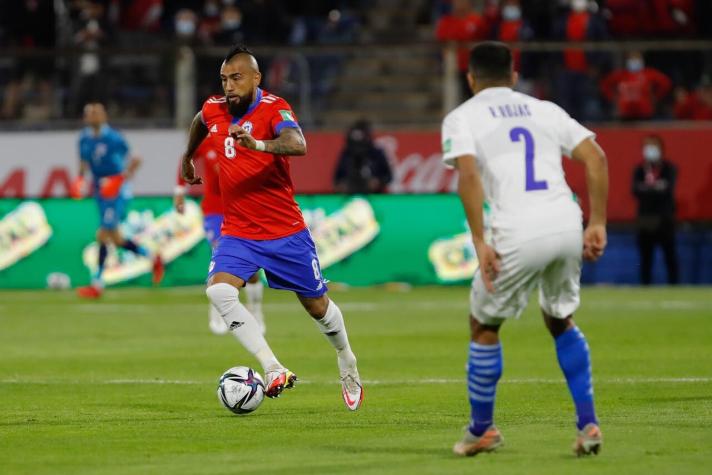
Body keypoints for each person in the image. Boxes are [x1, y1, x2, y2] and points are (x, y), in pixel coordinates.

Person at [441, 42, 608, 456]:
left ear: (470, 79)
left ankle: (483, 429)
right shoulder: (545, 109)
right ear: (514, 76)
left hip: (516, 229)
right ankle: (588, 424)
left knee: (483, 325)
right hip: (566, 221)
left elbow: (468, 176)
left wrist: (480, 242)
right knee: (559, 318)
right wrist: (599, 222)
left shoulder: (462, 117)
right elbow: (597, 158)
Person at [179, 45, 363, 410]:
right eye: (224, 79)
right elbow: (201, 120)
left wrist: (259, 144)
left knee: (317, 307)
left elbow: (299, 143)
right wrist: (187, 156)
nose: (229, 86)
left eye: (237, 78)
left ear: (256, 78)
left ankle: (347, 358)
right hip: (239, 231)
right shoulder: (216, 107)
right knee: (218, 293)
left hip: (285, 231)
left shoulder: (273, 109)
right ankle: (273, 367)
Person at [174, 140, 267, 335]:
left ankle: (255, 309)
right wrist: (180, 192)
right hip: (214, 211)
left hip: (242, 209)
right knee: (220, 258)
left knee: (251, 267)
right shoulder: (207, 141)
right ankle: (217, 311)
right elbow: (186, 157)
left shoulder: (243, 137)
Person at [73, 103, 164, 298]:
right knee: (115, 238)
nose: (92, 117)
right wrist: (80, 181)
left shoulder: (113, 138)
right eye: (89, 113)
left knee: (103, 233)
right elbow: (83, 163)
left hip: (116, 190)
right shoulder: (84, 139)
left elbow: (136, 159)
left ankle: (96, 284)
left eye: (96, 113)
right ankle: (152, 257)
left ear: (104, 116)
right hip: (99, 188)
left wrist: (120, 179)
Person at [631, 135, 679, 285]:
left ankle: (674, 287)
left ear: (660, 148)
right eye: (647, 146)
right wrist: (656, 188)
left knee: (669, 256)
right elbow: (635, 190)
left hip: (665, 219)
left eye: (653, 146)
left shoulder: (669, 168)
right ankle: (645, 287)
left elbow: (667, 189)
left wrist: (647, 189)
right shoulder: (639, 170)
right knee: (646, 258)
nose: (650, 149)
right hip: (646, 219)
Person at [435, 0, 490, 102]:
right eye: (457, 1)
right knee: (454, 98)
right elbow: (442, 43)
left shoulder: (477, 21)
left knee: (475, 98)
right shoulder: (446, 21)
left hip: (474, 68)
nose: (459, 4)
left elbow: (484, 41)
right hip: (453, 68)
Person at [600, 51, 672, 120]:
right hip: (625, 114)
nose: (634, 61)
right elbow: (605, 84)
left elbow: (665, 82)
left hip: (644, 113)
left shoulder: (648, 73)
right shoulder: (621, 75)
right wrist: (613, 97)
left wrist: (656, 96)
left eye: (636, 58)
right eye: (632, 58)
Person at [333, 119, 392, 194]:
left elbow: (388, 176)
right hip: (350, 196)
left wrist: (378, 181)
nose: (358, 149)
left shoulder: (376, 153)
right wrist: (341, 185)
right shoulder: (346, 154)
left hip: (374, 196)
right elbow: (336, 179)